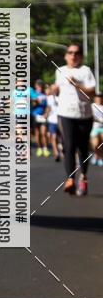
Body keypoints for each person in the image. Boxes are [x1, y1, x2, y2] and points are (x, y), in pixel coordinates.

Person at [50, 42, 96, 195]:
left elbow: (92, 92)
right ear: (66, 56)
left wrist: (77, 85)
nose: (73, 55)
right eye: (70, 52)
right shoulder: (60, 70)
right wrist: (54, 89)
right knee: (69, 146)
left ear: (80, 56)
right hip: (66, 113)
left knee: (82, 148)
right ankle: (70, 179)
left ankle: (83, 178)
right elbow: (55, 92)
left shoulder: (85, 71)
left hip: (84, 115)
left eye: (76, 53)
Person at [31, 79, 49, 156]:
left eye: (41, 86)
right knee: (37, 133)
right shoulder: (34, 94)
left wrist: (46, 113)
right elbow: (32, 104)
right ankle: (39, 148)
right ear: (36, 86)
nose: (40, 87)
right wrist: (36, 100)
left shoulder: (45, 94)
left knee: (43, 133)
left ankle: (45, 148)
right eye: (38, 86)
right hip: (35, 115)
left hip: (43, 115)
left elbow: (48, 104)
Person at [45, 83, 61, 161]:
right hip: (52, 120)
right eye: (53, 89)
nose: (54, 90)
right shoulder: (50, 98)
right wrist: (46, 114)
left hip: (61, 120)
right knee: (54, 136)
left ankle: (64, 151)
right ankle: (56, 153)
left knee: (62, 138)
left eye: (55, 89)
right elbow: (48, 107)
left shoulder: (62, 97)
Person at [90, 92, 103, 166]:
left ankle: (100, 157)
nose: (99, 98)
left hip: (102, 128)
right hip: (94, 127)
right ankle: (96, 154)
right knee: (95, 144)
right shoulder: (92, 106)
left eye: (100, 97)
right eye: (97, 97)